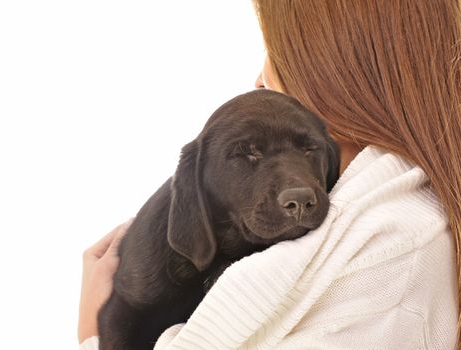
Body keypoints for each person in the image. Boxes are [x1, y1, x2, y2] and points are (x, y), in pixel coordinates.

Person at [79, 0, 461, 348]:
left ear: (339, 72)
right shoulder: (382, 209)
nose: (259, 79)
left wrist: (92, 333)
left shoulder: (389, 246)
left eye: (276, 53)